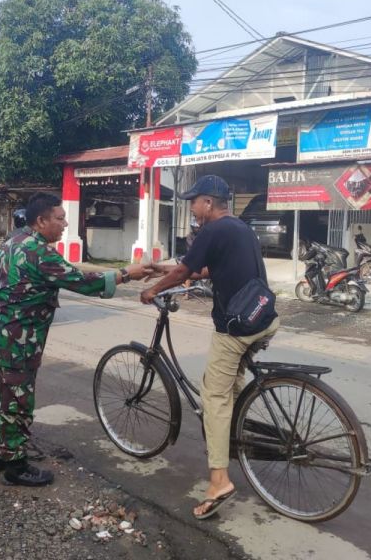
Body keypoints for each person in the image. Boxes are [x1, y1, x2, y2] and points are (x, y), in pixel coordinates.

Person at [0, 192, 154, 486]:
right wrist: (127, 273)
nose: (64, 224)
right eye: (60, 219)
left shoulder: (12, 242)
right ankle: (16, 466)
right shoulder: (40, 253)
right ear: (41, 221)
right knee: (17, 403)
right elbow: (83, 281)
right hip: (19, 341)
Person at [139, 175, 279, 520]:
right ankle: (233, 432)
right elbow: (202, 270)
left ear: (208, 203)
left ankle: (219, 480)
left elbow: (186, 270)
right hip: (263, 318)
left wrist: (153, 289)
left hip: (236, 327)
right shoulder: (239, 228)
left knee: (213, 398)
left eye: (194, 202)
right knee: (228, 390)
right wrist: (162, 268)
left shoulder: (213, 230)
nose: (192, 209)